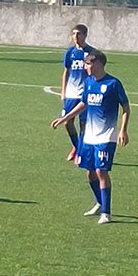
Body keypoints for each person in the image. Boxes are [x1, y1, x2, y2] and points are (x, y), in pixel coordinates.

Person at [51, 50, 129, 224]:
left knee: (101, 171)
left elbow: (126, 107)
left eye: (88, 63)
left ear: (99, 64)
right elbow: (83, 103)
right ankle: (100, 203)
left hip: (106, 136)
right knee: (90, 173)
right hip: (89, 137)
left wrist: (123, 130)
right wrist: (65, 118)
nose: (85, 67)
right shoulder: (88, 83)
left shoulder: (113, 84)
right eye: (85, 63)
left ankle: (106, 213)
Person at [59, 24, 97, 163]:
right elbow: (66, 71)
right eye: (73, 34)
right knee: (67, 122)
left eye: (78, 34)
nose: (75, 37)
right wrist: (63, 91)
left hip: (85, 94)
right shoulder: (70, 52)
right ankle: (77, 147)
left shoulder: (92, 53)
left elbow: (95, 73)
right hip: (71, 94)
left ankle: (80, 152)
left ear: (85, 35)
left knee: (83, 124)